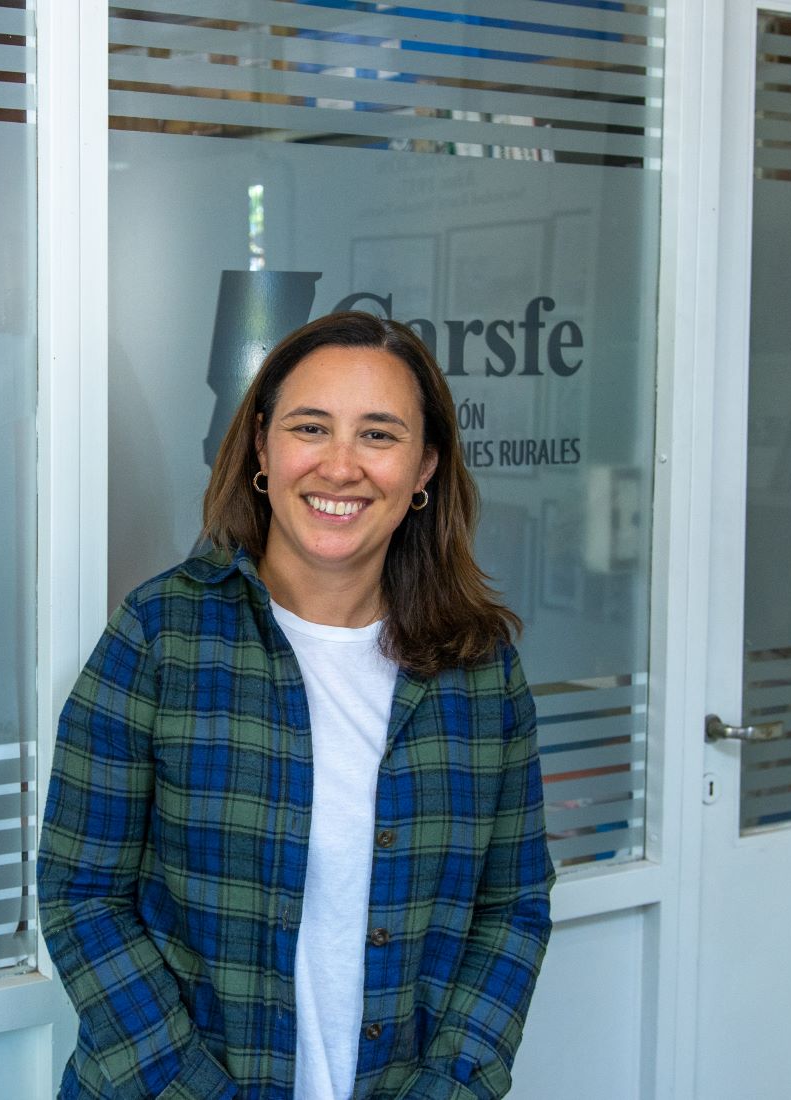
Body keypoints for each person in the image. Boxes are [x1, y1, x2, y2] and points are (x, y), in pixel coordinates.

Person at [38, 311, 554, 1099]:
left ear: (424, 470)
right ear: (261, 448)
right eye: (311, 426)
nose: (340, 466)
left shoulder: (480, 670)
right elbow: (83, 895)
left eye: (379, 435)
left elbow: (512, 905)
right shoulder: (162, 635)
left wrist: (453, 1085)